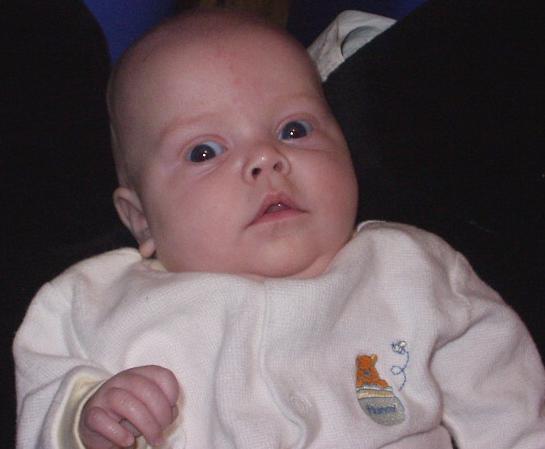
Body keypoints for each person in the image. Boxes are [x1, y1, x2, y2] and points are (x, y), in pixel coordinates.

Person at [13, 8, 545, 449]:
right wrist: (85, 423)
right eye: (204, 151)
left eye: (294, 129)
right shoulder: (90, 303)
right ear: (141, 219)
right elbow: (42, 406)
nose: (265, 158)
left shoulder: (412, 269)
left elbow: (506, 402)